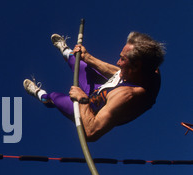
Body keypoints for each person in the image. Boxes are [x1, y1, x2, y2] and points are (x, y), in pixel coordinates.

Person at [23, 32, 165, 141]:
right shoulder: (147, 69)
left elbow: (91, 132)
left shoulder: (125, 97)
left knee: (54, 97)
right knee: (77, 60)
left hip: (90, 109)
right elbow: (118, 72)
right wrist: (88, 57)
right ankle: (65, 50)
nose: (118, 62)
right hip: (102, 88)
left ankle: (40, 95)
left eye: (122, 59)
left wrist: (83, 100)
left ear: (136, 67)